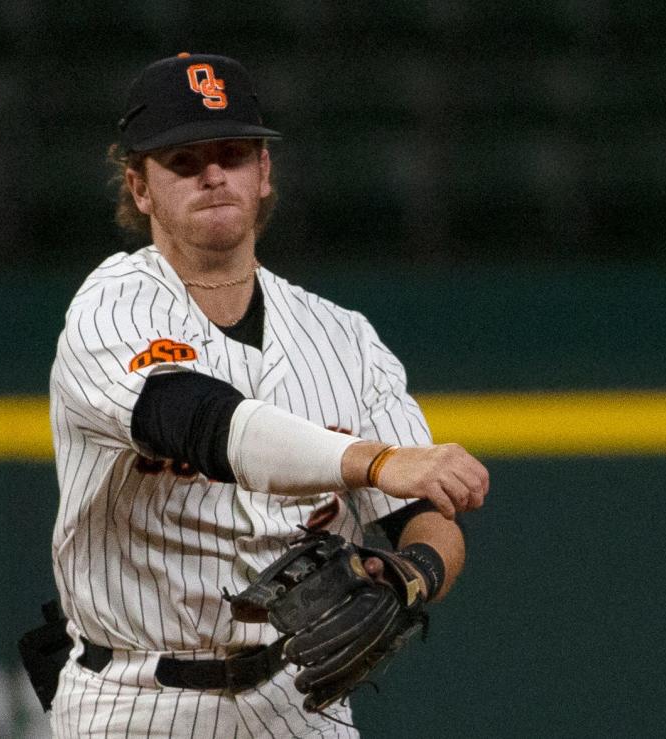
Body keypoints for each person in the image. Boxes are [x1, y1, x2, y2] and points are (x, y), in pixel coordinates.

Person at [43, 52, 489, 737]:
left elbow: (424, 514)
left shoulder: (344, 337)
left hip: (298, 700)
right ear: (140, 187)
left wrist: (411, 572)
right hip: (135, 697)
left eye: (234, 152)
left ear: (264, 172)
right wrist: (371, 460)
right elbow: (200, 422)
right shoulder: (113, 306)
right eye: (184, 161)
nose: (213, 174)